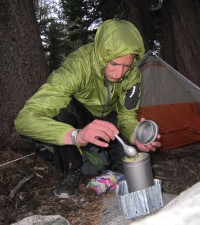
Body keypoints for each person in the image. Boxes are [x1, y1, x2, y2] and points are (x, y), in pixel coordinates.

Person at [14, 19, 161, 198]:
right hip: (80, 114)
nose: (120, 73)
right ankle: (71, 169)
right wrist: (76, 135)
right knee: (60, 111)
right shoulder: (77, 66)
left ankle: (111, 172)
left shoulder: (132, 76)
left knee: (130, 164)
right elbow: (24, 120)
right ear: (101, 56)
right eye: (114, 64)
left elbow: (126, 116)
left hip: (109, 118)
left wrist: (135, 135)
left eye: (126, 66)